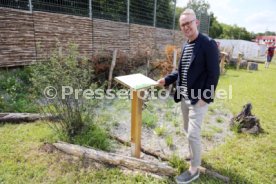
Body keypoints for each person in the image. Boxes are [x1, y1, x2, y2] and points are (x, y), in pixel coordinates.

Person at [158, 9, 220, 184]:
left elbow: (214, 74)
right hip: (184, 97)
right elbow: (180, 71)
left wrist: (205, 98)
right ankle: (194, 155)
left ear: (196, 22)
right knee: (187, 131)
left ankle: (194, 170)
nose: (186, 27)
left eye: (189, 23)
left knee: (193, 134)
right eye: (183, 25)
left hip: (198, 99)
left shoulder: (208, 43)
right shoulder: (186, 45)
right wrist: (166, 79)